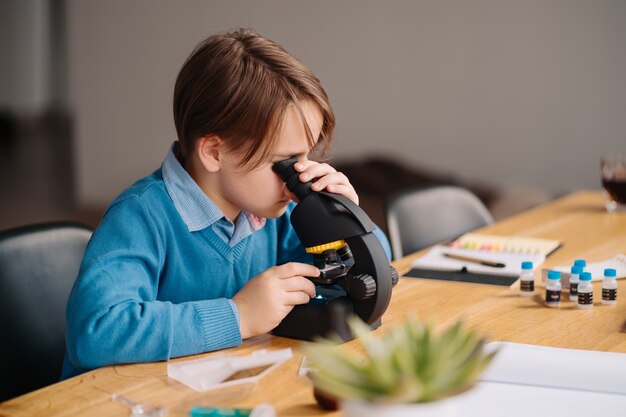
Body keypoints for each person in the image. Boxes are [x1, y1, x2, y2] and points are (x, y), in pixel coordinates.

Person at [62, 28, 390, 379]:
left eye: (306, 156)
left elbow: (371, 272)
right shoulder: (140, 217)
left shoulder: (274, 211)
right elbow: (96, 331)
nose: (301, 174)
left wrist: (348, 221)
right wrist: (240, 316)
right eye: (284, 161)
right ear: (215, 152)